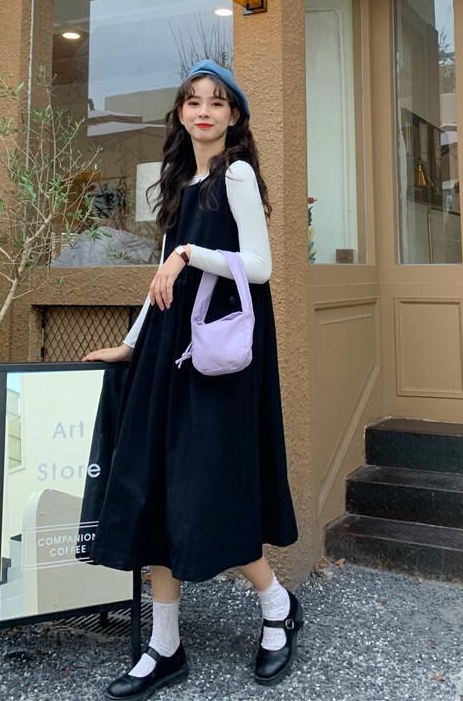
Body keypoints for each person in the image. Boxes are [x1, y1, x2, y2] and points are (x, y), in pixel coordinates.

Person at [81, 60, 301, 692]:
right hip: (165, 352)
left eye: (216, 102)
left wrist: (187, 253)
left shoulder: (236, 173)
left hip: (217, 361)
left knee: (210, 489)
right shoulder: (181, 181)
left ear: (234, 116)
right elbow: (161, 283)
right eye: (193, 101)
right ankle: (165, 646)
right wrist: (130, 344)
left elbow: (259, 266)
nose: (204, 110)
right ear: (180, 113)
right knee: (155, 487)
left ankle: (277, 607)